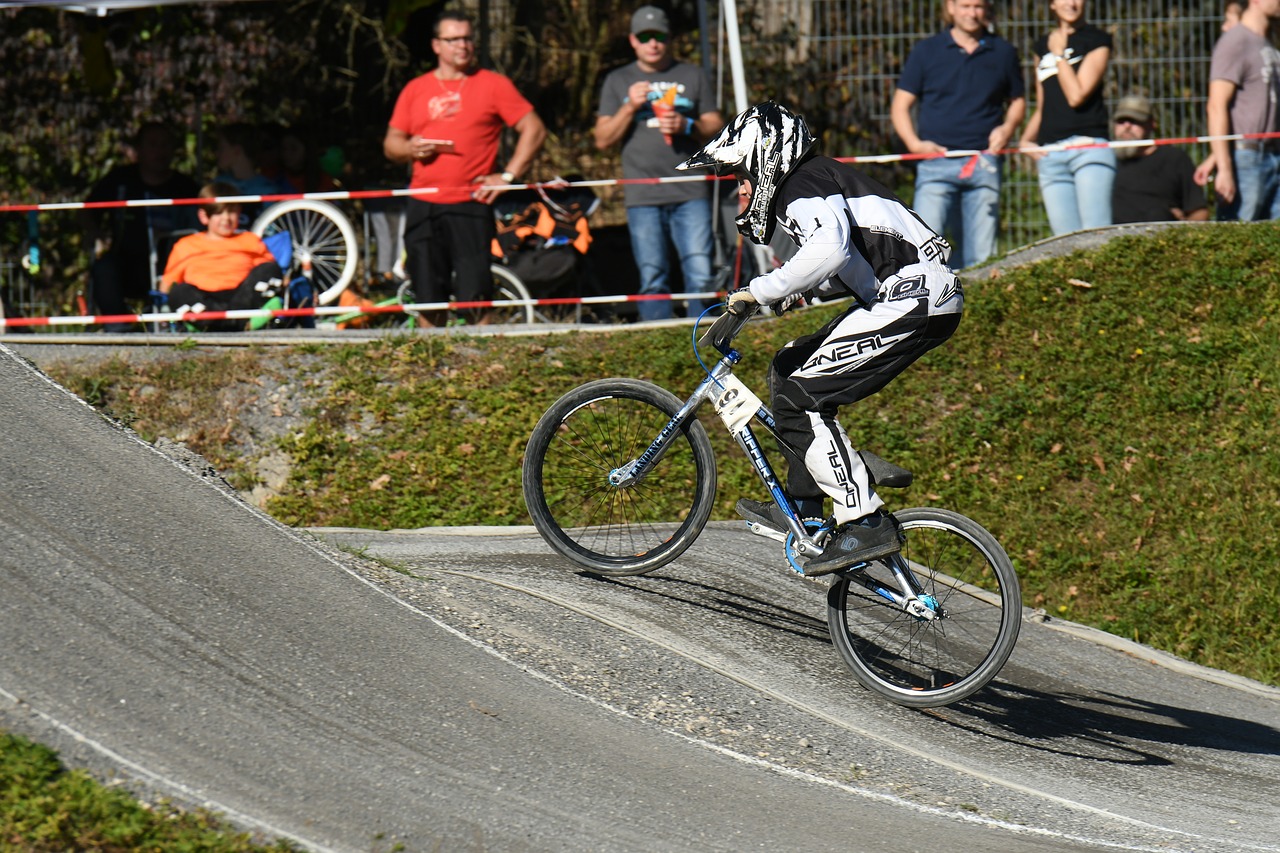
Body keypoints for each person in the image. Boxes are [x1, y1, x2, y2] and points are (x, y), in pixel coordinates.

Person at [676, 103, 962, 575]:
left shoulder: (800, 184)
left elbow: (830, 248)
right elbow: (855, 258)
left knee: (800, 396)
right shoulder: (824, 178)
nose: (739, 190)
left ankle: (864, 520)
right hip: (914, 294)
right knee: (789, 365)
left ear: (763, 157)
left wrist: (757, 290)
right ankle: (806, 504)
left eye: (738, 176)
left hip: (913, 298)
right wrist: (801, 294)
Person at [383, 9, 547, 324]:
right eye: (453, 39)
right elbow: (391, 143)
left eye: (468, 38)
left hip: (471, 204)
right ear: (436, 45)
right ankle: (431, 364)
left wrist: (508, 176)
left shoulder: (493, 85)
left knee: (476, 297)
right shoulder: (416, 89)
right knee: (428, 296)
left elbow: (534, 129)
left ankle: (482, 367)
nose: (462, 45)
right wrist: (410, 149)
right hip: (423, 203)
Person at [595, 5, 725, 321]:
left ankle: (704, 333)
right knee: (652, 273)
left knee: (699, 269)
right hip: (642, 194)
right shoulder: (617, 80)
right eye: (645, 37)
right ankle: (656, 336)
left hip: (690, 190)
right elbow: (602, 139)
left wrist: (688, 126)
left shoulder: (691, 75)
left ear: (669, 39)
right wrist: (629, 107)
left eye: (659, 37)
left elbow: (718, 126)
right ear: (633, 41)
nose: (653, 43)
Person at [890, 0, 1025, 270]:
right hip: (935, 165)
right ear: (950, 8)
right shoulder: (926, 51)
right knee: (924, 249)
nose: (971, 13)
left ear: (986, 9)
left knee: (982, 257)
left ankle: (977, 306)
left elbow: (1018, 101)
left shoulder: (1004, 52)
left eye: (978, 6)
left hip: (983, 163)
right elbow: (900, 106)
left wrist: (1007, 129)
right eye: (965, 6)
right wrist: (915, 144)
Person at [81, 121, 200, 332]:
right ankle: (118, 328)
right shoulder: (120, 180)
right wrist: (95, 233)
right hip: (126, 261)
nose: (160, 151)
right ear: (139, 150)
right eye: (153, 144)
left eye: (165, 145)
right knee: (103, 268)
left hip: (172, 263)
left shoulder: (186, 186)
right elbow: (89, 209)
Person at [1019, 0, 1115, 235]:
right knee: (1063, 244)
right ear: (1052, 4)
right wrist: (1024, 140)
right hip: (1052, 155)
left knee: (1096, 238)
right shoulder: (1041, 46)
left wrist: (1059, 54)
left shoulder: (1097, 40)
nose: (1071, 3)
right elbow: (1044, 105)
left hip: (1088, 149)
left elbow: (1076, 95)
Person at [1193, 0, 1280, 221]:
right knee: (1238, 239)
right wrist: (1224, 168)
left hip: (1272, 155)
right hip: (1246, 160)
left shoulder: (1267, 43)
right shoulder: (1235, 41)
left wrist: (1213, 158)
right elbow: (1216, 105)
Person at [160, 182, 284, 331]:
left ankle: (228, 322)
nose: (226, 219)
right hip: (203, 301)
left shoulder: (250, 239)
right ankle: (234, 324)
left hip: (244, 298)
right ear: (204, 216)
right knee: (178, 292)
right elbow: (167, 285)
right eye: (219, 213)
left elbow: (268, 272)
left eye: (232, 211)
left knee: (270, 269)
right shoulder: (185, 245)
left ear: (240, 212)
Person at [1111, 94, 1208, 224]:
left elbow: (1199, 212)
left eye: (1135, 121)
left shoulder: (1175, 159)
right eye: (1121, 121)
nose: (1127, 126)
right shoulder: (1106, 162)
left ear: (1152, 124)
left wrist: (1184, 230)